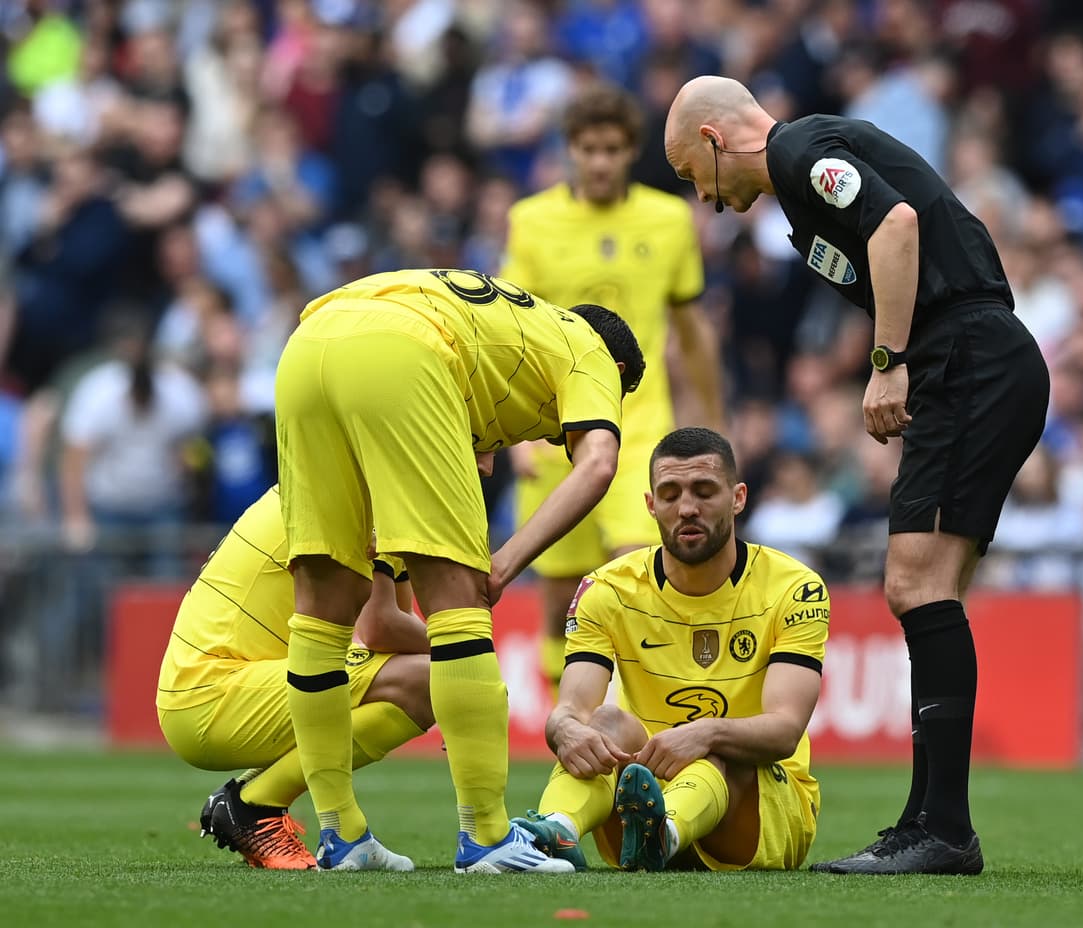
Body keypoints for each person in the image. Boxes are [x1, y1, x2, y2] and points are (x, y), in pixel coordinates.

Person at [664, 76, 1051, 875]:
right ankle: (931, 821)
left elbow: (898, 226)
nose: (706, 200)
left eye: (691, 177)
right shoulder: (804, 187)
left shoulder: (799, 150)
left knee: (915, 587)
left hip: (964, 358)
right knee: (930, 592)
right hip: (978, 356)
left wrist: (888, 362)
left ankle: (942, 829)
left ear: (711, 141)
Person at [273, 268, 644, 874]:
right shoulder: (590, 350)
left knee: (322, 605)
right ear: (621, 375)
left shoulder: (517, 327)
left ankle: (341, 834)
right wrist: (505, 562)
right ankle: (488, 837)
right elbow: (599, 464)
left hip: (309, 343)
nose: (559, 435)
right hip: (404, 353)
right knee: (459, 602)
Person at [513, 427, 827, 873]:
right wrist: (565, 730)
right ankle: (553, 829)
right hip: (642, 794)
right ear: (650, 504)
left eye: (704, 492)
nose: (687, 509)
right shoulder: (606, 589)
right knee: (602, 723)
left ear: (738, 498)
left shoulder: (794, 587)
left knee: (721, 749)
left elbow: (784, 731)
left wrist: (707, 733)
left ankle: (664, 832)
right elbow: (571, 708)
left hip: (760, 815)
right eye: (670, 493)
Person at [500, 82, 721, 696]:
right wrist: (513, 435)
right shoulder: (531, 222)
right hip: (553, 425)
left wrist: (711, 415)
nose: (600, 161)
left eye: (612, 149)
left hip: (641, 423)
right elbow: (512, 330)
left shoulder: (670, 219)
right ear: (570, 150)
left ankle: (636, 717)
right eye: (588, 149)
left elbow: (693, 328)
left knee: (637, 564)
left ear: (631, 152)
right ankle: (565, 725)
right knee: (555, 598)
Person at [156, 473, 462, 870]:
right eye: (479, 449)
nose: (487, 467)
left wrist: (461, 682)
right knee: (429, 680)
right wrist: (469, 674)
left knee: (433, 678)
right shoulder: (363, 496)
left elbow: (394, 624)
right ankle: (254, 805)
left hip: (210, 689)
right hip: (211, 695)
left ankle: (255, 798)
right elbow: (380, 628)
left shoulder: (358, 483)